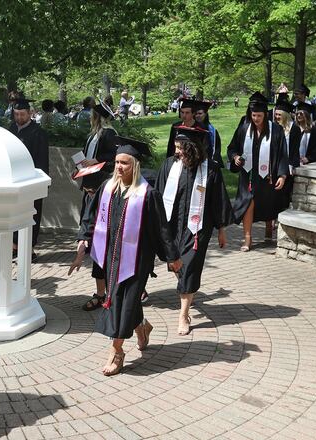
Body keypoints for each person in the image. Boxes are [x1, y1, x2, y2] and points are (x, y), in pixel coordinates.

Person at [69, 138, 181, 376]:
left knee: (122, 301)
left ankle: (116, 351)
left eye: (125, 163)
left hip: (137, 260)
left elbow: (162, 229)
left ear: (135, 166)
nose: (119, 167)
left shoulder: (147, 195)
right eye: (117, 162)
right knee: (122, 301)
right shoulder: (106, 189)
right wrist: (83, 241)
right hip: (111, 258)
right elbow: (90, 218)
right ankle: (142, 326)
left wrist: (172, 257)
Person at [156, 126, 232, 336]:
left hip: (197, 229)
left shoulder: (211, 170)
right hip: (172, 225)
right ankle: (186, 291)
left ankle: (183, 314)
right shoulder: (169, 165)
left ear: (193, 149)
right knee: (177, 265)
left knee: (189, 267)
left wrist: (222, 230)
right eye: (176, 146)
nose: (177, 150)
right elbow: (159, 194)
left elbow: (218, 201)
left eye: (181, 147)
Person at [228, 99, 289, 251]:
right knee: (248, 203)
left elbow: (282, 154)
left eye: (259, 116)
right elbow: (232, 148)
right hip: (248, 175)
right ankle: (247, 238)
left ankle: (269, 230)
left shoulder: (276, 130)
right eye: (253, 115)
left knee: (269, 204)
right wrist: (235, 157)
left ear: (265, 115)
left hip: (269, 175)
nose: (256, 119)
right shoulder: (244, 129)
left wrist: (282, 175)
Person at [78, 102, 118, 312]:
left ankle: (126, 290)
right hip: (89, 189)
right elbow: (87, 159)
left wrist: (96, 161)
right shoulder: (93, 135)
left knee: (103, 243)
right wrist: (79, 170)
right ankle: (101, 292)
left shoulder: (109, 134)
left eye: (92, 115)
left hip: (101, 192)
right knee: (94, 243)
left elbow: (113, 161)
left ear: (97, 116)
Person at [9, 98, 49, 249]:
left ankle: (28, 248)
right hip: (14, 180)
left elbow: (42, 160)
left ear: (30, 113)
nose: (19, 118)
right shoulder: (11, 129)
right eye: (17, 114)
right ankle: (13, 246)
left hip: (31, 180)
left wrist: (41, 184)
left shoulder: (38, 133)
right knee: (13, 212)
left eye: (22, 114)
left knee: (32, 214)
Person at [193, 101, 225, 166]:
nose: (197, 116)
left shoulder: (212, 131)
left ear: (205, 114)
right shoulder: (191, 128)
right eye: (196, 114)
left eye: (200, 113)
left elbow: (216, 148)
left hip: (208, 161)